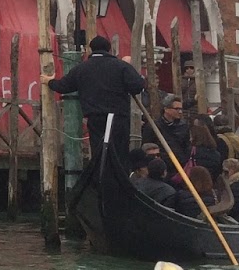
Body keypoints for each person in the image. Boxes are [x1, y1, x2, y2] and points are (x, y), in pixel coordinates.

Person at [47, 34, 147, 171]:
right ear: (109, 49)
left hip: (95, 118)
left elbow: (63, 86)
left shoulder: (81, 69)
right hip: (118, 118)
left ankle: (102, 181)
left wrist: (49, 81)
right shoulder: (121, 66)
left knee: (99, 153)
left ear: (91, 49)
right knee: (119, 153)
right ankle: (119, 181)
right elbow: (138, 86)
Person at [144, 93, 190, 161]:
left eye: (181, 109)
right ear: (166, 109)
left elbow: (187, 146)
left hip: (180, 164)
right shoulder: (153, 127)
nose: (180, 112)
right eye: (176, 109)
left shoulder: (183, 126)